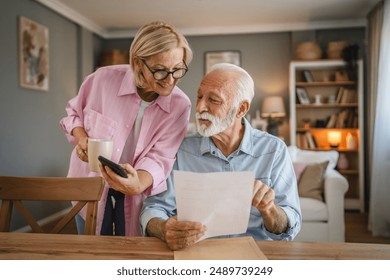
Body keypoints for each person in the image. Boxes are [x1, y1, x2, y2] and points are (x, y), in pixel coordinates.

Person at [140, 63, 301, 250]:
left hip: (256, 254)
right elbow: (152, 208)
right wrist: (162, 228)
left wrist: (269, 209)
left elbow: (290, 225)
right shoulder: (180, 150)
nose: (200, 107)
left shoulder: (274, 150)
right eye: (199, 97)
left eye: (214, 100)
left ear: (241, 109)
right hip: (195, 254)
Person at [60, 21, 193, 236]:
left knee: (129, 257)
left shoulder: (180, 105)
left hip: (135, 194)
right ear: (138, 63)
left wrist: (137, 183)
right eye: (160, 70)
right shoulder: (101, 80)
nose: (170, 80)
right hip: (88, 188)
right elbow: (74, 114)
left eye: (177, 69)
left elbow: (161, 157)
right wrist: (82, 138)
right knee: (89, 255)